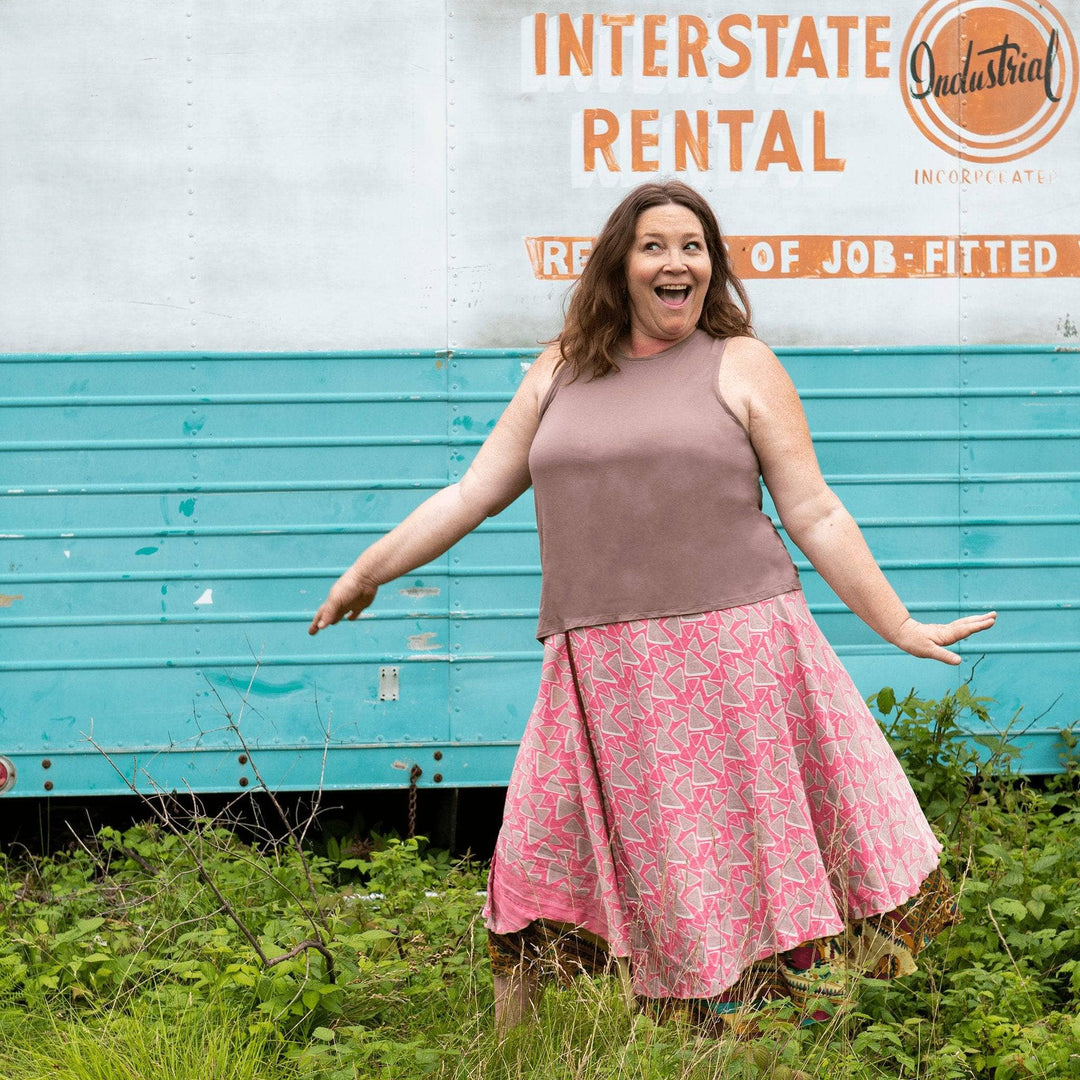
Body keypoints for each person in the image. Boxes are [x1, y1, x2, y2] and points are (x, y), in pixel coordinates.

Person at [309, 180, 996, 1037]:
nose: (677, 262)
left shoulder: (739, 362)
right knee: (530, 863)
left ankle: (754, 1044)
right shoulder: (562, 367)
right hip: (600, 668)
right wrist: (368, 572)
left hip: (735, 654)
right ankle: (517, 1055)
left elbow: (814, 510)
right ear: (620, 266)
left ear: (711, 267)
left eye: (693, 246)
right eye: (655, 246)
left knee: (732, 871)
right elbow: (472, 492)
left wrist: (897, 626)